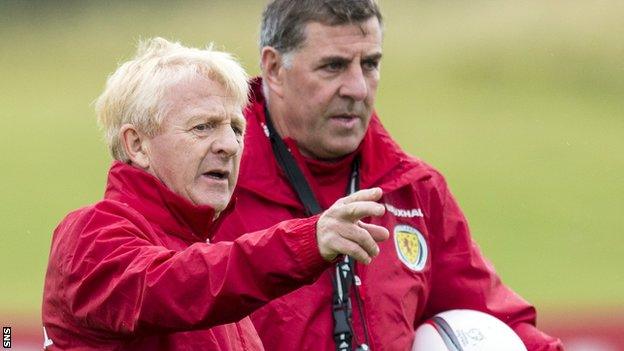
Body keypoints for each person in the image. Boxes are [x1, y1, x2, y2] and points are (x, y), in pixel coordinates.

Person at [214, 1, 564, 350]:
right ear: (274, 68)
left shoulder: (414, 189)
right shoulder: (213, 178)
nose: (358, 88)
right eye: (333, 66)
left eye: (370, 64)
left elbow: (497, 321)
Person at [41, 37, 390, 350]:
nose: (229, 145)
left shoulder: (206, 258)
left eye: (236, 129)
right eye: (203, 126)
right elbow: (178, 287)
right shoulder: (90, 235)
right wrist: (306, 241)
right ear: (137, 145)